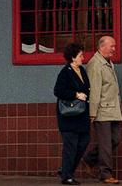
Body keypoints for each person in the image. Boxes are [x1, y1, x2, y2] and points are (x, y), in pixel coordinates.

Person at [82, 36, 122, 184]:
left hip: (113, 110)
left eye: (114, 46)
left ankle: (89, 159)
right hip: (102, 111)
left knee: (115, 139)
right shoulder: (95, 64)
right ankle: (105, 174)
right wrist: (92, 113)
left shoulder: (108, 63)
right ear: (102, 46)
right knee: (106, 144)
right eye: (111, 46)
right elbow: (94, 90)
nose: (114, 49)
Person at [53, 41, 91, 186]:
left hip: (82, 114)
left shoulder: (82, 71)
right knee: (71, 146)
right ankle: (67, 176)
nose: (83, 57)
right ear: (73, 57)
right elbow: (58, 91)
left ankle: (66, 169)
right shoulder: (65, 72)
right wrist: (76, 94)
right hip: (69, 116)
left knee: (84, 142)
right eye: (81, 55)